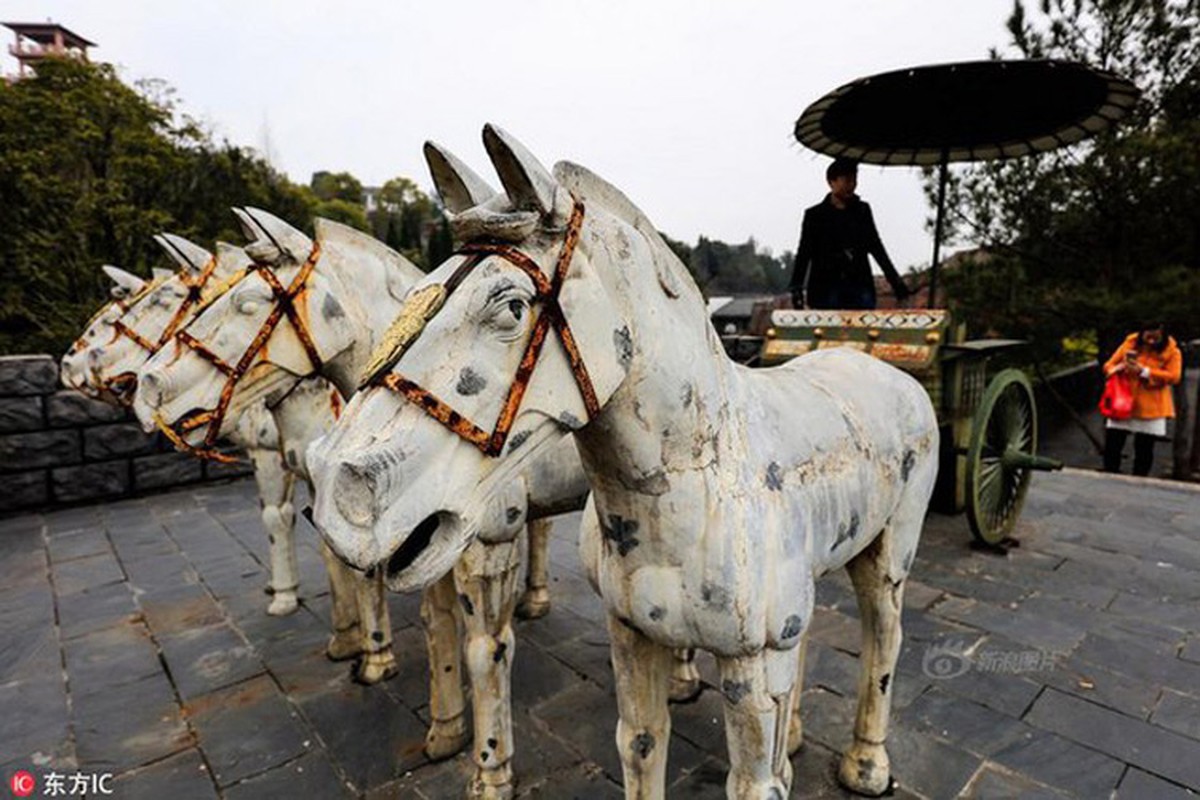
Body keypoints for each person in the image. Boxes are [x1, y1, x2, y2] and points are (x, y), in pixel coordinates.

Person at [790, 158, 911, 310]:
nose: (851, 185)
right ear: (831, 182)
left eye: (854, 180)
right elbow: (804, 252)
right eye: (847, 180)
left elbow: (876, 247)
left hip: (858, 287)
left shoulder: (862, 211)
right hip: (826, 288)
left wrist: (896, 283)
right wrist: (796, 287)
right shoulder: (815, 215)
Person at [1101, 323, 1182, 476]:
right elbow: (1109, 365)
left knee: (1144, 447)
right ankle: (1109, 474)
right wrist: (1117, 369)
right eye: (1148, 337)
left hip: (1151, 404)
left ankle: (1140, 479)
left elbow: (1174, 376)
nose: (1151, 341)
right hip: (1123, 400)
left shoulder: (1173, 352)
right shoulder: (1129, 344)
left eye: (1156, 338)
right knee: (1113, 443)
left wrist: (1145, 372)